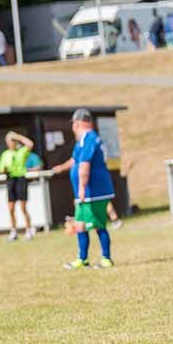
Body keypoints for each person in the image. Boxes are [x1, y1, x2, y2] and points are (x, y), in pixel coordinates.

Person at [53, 109, 115, 269]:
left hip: (93, 191)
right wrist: (61, 168)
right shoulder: (82, 140)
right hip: (86, 193)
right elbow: (75, 160)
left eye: (73, 124)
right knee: (80, 224)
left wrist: (81, 187)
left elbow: (85, 165)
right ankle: (82, 259)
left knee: (98, 224)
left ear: (77, 124)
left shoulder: (89, 138)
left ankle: (106, 258)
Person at [0, 131, 35, 240]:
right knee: (11, 208)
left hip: (21, 179)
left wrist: (17, 136)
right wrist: (4, 169)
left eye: (13, 141)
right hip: (11, 180)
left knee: (23, 208)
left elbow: (30, 144)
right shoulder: (5, 154)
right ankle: (13, 231)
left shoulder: (21, 151)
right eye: (9, 141)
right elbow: (0, 169)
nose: (11, 143)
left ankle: (28, 230)